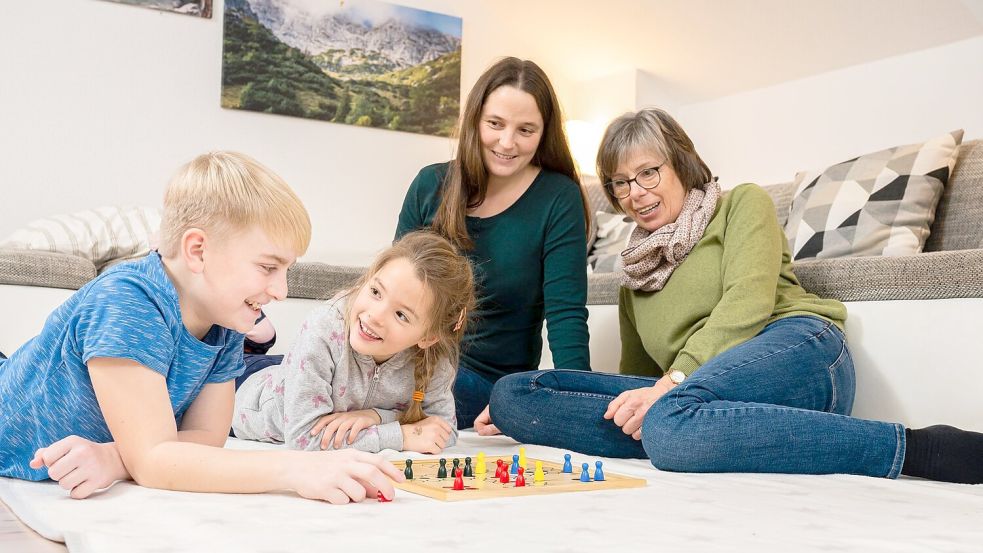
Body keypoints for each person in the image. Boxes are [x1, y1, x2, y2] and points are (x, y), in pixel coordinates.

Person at [489, 108, 983, 484]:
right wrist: (653, 396)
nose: (634, 193)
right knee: (515, 393)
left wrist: (670, 386)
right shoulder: (635, 277)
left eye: (648, 173)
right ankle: (702, 436)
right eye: (620, 183)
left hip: (797, 351)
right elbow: (636, 382)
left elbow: (747, 303)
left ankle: (916, 448)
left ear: (680, 163)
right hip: (692, 394)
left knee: (666, 419)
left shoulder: (742, 204)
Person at [0, 152, 404, 501]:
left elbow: (204, 439)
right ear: (197, 250)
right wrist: (297, 469)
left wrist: (115, 457)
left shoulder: (225, 322)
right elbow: (157, 461)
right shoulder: (128, 301)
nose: (281, 290)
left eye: (286, 270)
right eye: (268, 267)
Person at [395, 57, 592, 432]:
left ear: (544, 133)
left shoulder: (557, 197)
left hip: (484, 383)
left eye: (526, 130)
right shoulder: (430, 184)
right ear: (475, 120)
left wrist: (575, 403)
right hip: (405, 364)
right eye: (495, 124)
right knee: (288, 370)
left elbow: (566, 314)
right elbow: (393, 292)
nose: (507, 142)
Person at [232, 230, 475, 455]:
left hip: (296, 371)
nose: (375, 315)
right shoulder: (324, 327)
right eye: (376, 292)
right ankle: (245, 339)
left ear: (428, 337)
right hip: (243, 391)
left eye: (401, 315)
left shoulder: (434, 359)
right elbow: (304, 439)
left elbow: (442, 430)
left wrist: (375, 416)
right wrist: (400, 435)